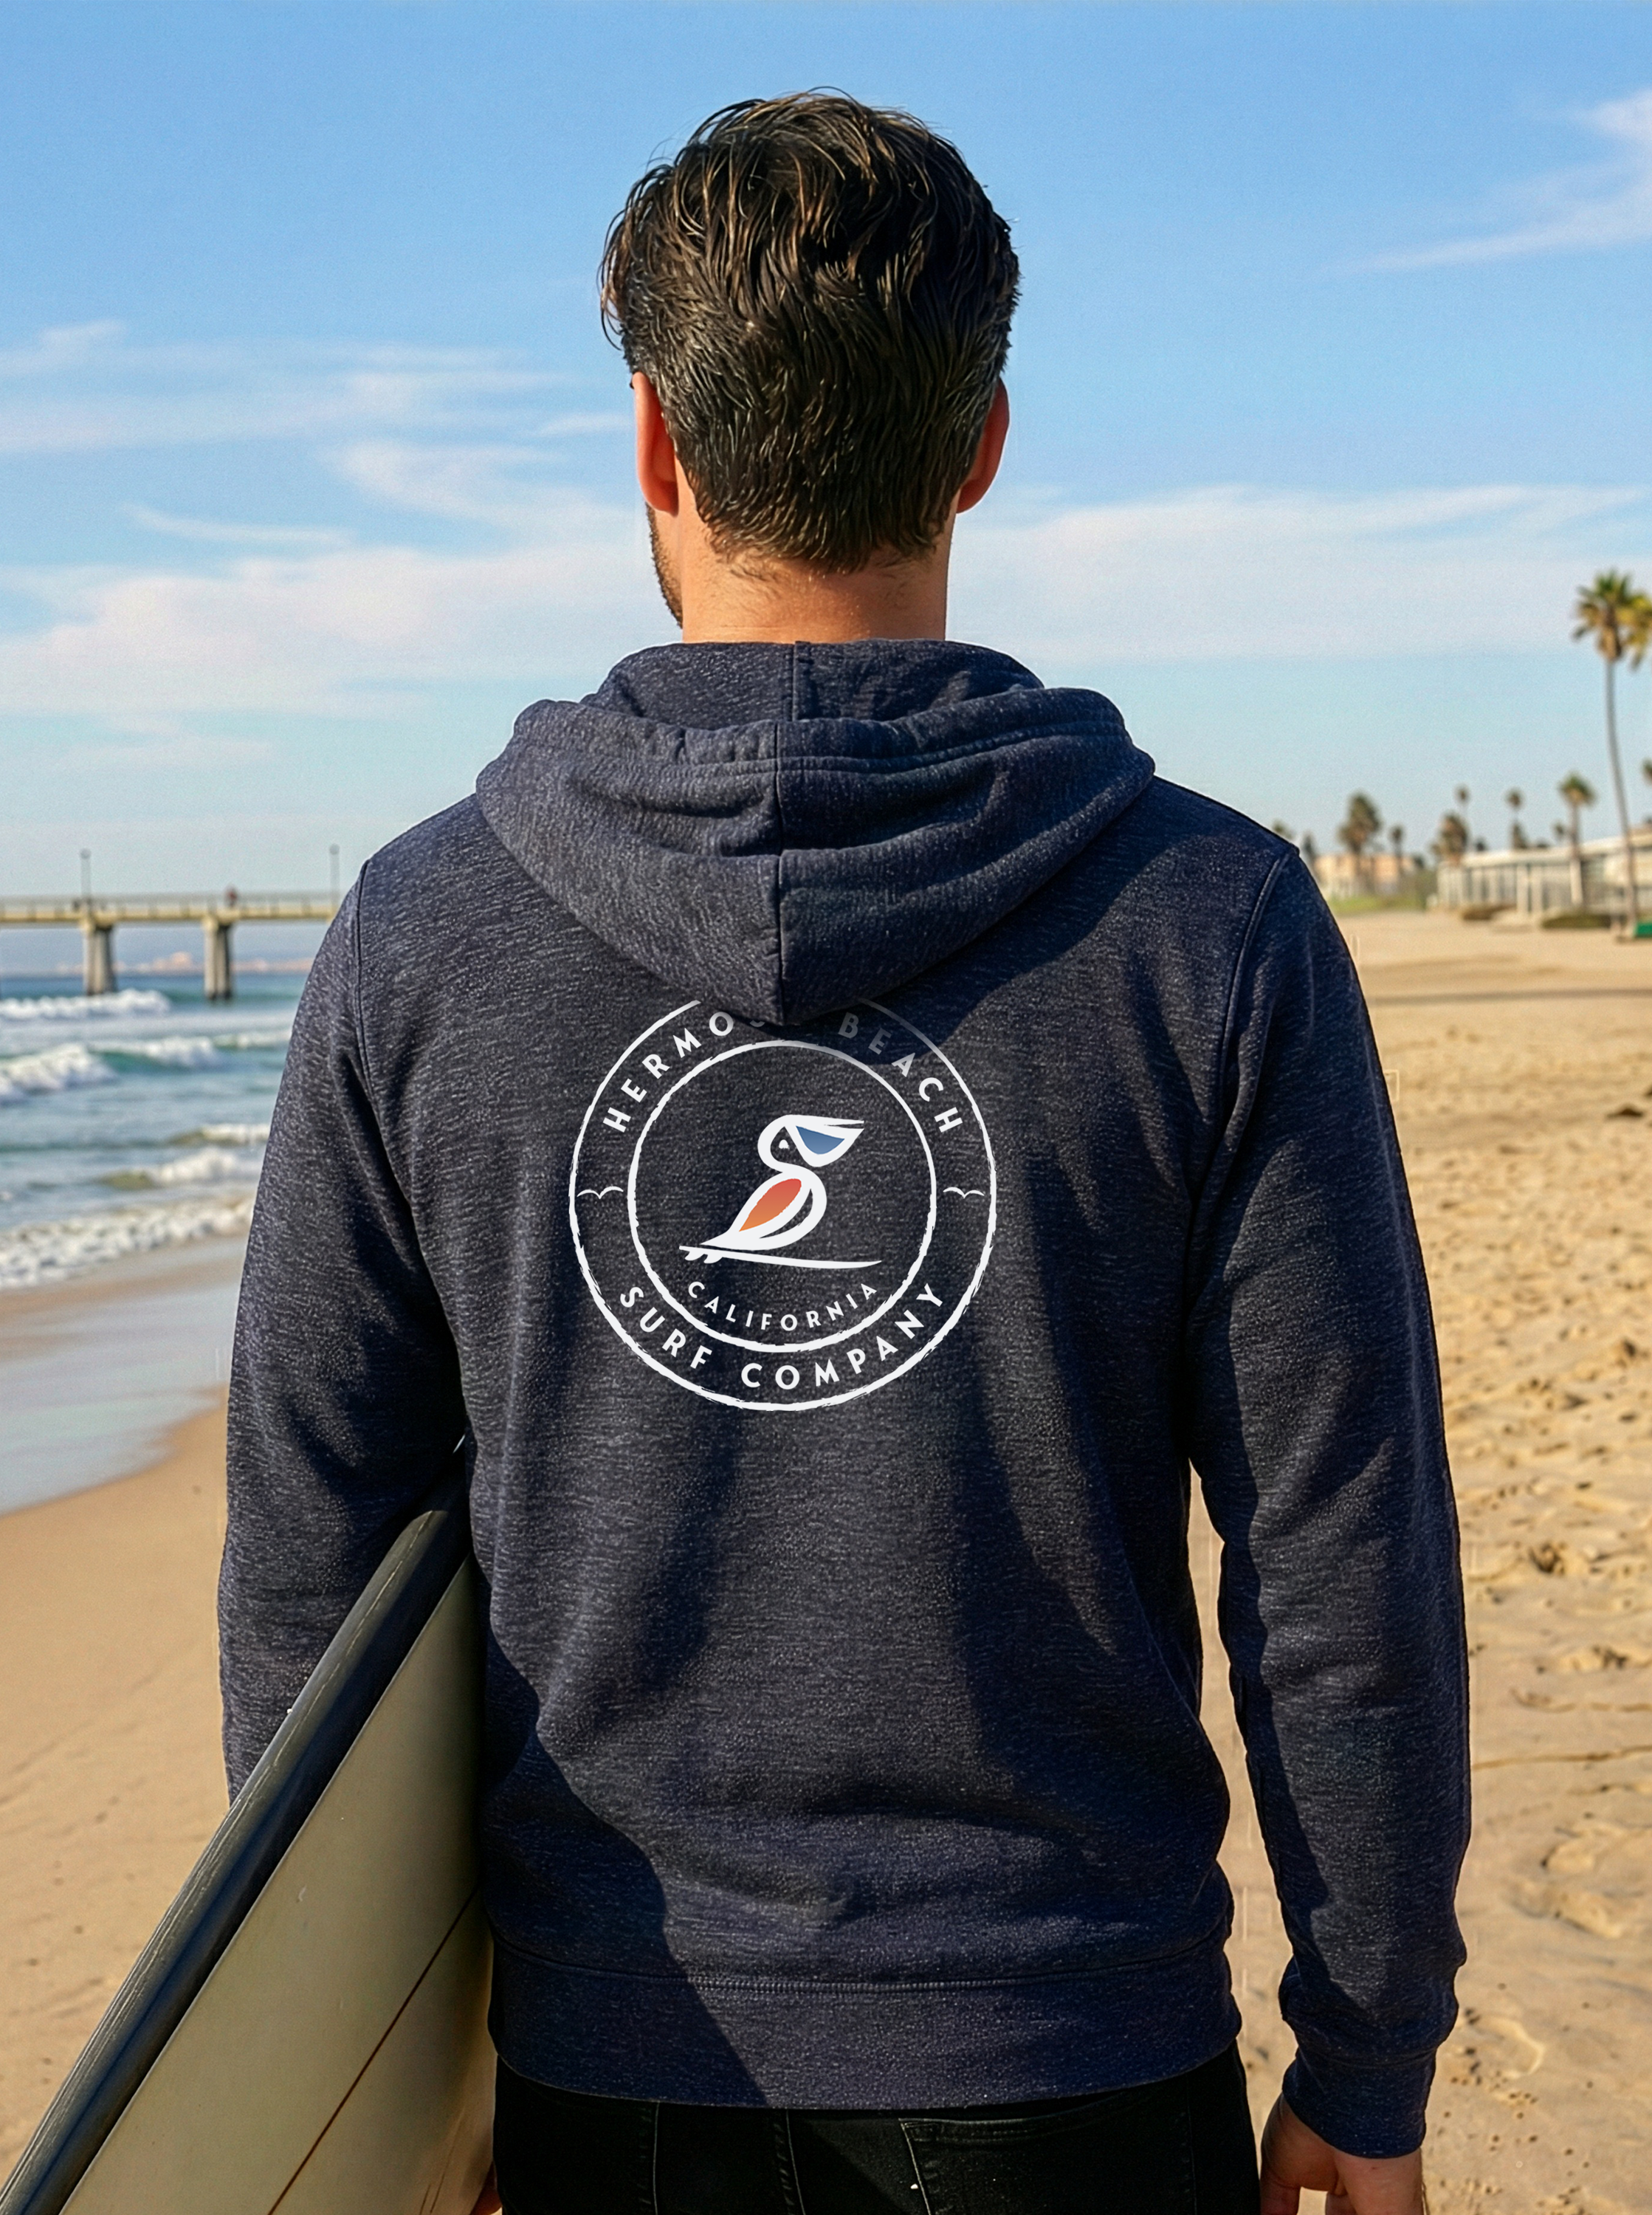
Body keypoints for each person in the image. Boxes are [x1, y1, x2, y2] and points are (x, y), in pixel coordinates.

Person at [220, 94, 1467, 2215]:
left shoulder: (422, 935)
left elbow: (309, 1571)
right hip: (1078, 2063)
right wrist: (1369, 2053)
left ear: (653, 449)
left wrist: (367, 2081)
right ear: (981, 443)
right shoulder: (1211, 924)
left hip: (612, 2075)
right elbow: (1343, 1560)